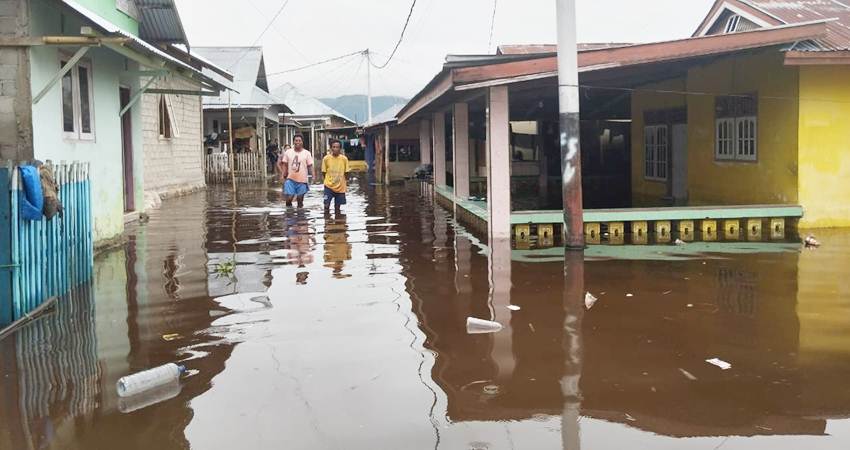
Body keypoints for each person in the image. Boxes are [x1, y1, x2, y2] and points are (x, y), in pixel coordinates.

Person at [277, 135, 314, 208]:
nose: (297, 142)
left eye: (299, 140)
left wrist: (313, 176)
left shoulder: (307, 153)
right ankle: (289, 213)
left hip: (302, 180)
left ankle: (300, 216)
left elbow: (310, 165)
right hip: (290, 179)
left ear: (302, 142)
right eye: (296, 140)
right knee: (289, 198)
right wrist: (283, 174)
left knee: (300, 199)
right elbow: (285, 164)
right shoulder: (288, 152)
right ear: (293, 142)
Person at [321, 139, 350, 213]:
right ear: (331, 148)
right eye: (334, 147)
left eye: (337, 147)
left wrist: (346, 183)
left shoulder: (344, 159)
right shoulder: (326, 159)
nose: (335, 149)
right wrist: (328, 181)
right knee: (326, 205)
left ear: (340, 149)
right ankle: (327, 222)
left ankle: (338, 223)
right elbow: (324, 172)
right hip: (328, 186)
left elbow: (346, 172)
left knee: (337, 208)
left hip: (340, 187)